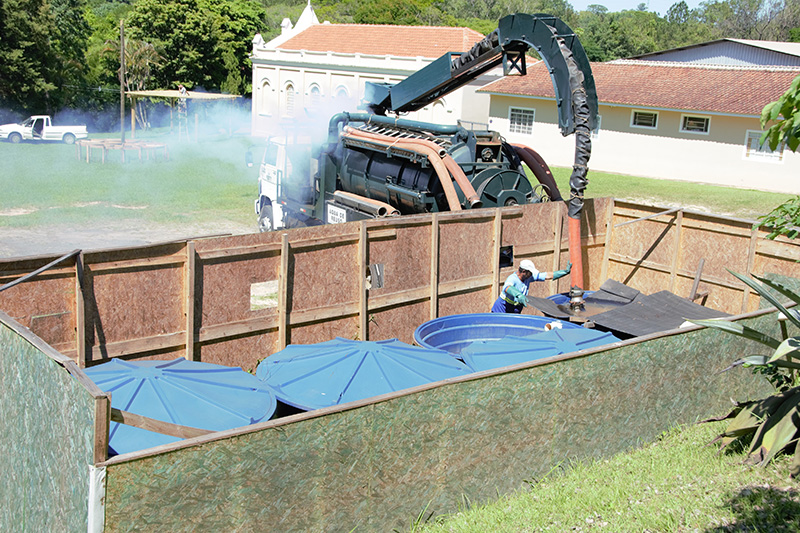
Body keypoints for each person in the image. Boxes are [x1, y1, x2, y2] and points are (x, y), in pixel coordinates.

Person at [491, 259, 571, 313]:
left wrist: (564, 272)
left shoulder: (528, 278)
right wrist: (518, 294)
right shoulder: (512, 279)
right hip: (501, 310)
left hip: (515, 309)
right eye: (530, 273)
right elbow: (507, 288)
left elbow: (546, 275)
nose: (532, 275)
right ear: (524, 271)